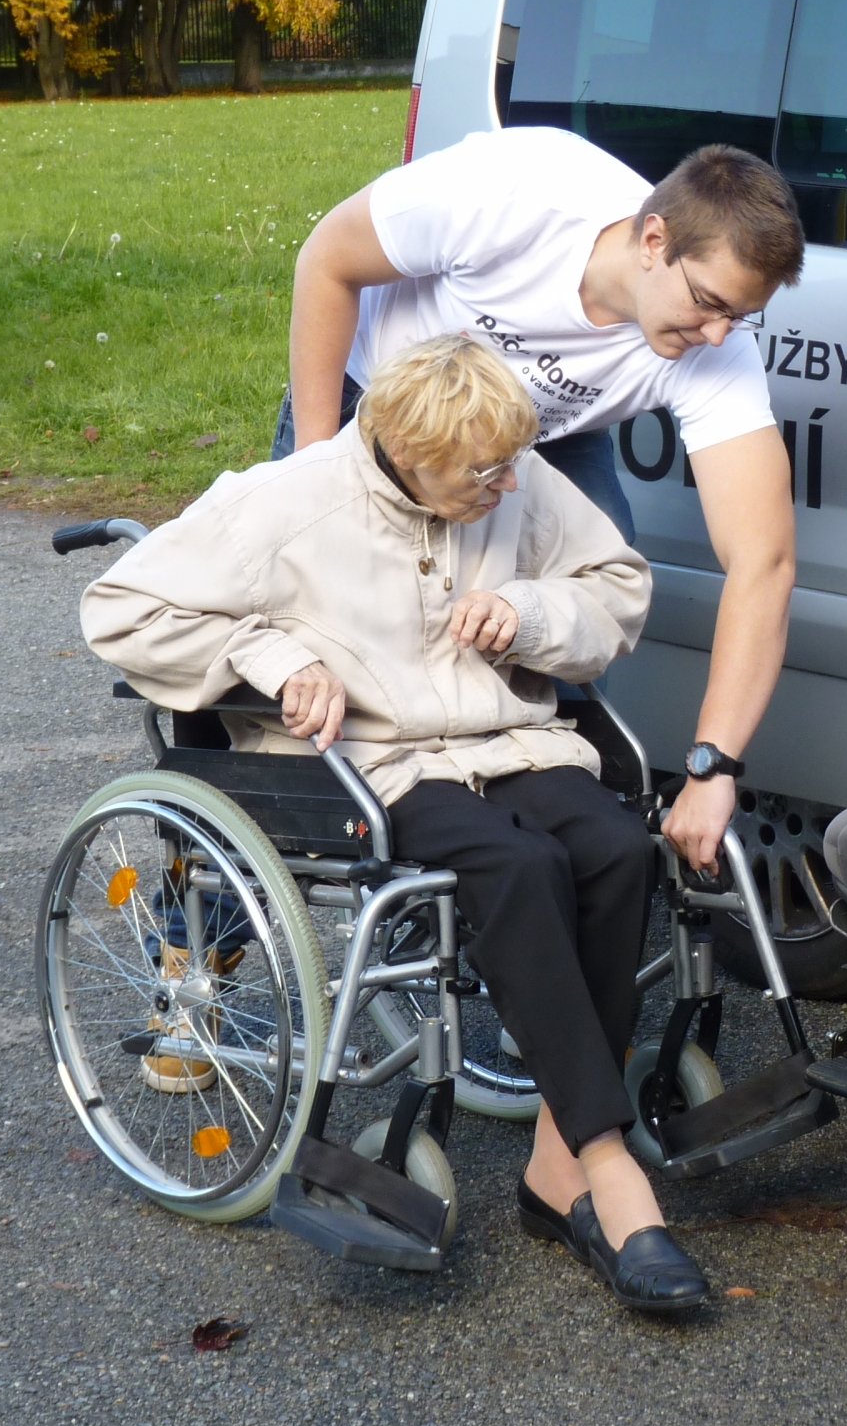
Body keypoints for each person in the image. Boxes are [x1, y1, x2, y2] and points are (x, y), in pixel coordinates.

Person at [84, 335, 710, 1313]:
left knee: (616, 849)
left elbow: (615, 584)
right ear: (409, 453)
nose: (507, 486)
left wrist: (530, 610)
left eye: (512, 462)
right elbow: (120, 607)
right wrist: (278, 658)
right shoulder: (288, 502)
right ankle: (609, 1166)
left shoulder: (513, 471)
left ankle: (556, 1164)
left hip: (510, 743)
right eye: (481, 473)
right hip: (369, 766)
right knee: (518, 870)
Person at [276, 127, 802, 877]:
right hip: (381, 405)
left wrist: (714, 768)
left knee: (592, 589)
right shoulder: (518, 193)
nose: (719, 333)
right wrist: (315, 475)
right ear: (654, 238)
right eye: (710, 302)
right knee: (312, 630)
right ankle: (206, 928)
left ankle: (519, 865)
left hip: (538, 435)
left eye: (739, 317)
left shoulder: (714, 348)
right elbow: (327, 260)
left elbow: (765, 562)